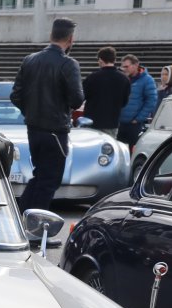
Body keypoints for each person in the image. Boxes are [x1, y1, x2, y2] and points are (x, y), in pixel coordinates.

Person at [11, 17, 83, 214]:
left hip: (34, 128)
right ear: (70, 39)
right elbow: (77, 100)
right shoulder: (68, 64)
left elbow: (15, 95)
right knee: (49, 180)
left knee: (40, 177)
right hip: (55, 131)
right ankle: (35, 224)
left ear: (51, 35)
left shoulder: (30, 60)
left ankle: (22, 218)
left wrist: (32, 112)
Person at [81, 46, 130, 135]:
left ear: (100, 60)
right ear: (114, 60)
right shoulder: (124, 79)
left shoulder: (92, 78)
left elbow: (81, 97)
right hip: (112, 122)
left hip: (92, 122)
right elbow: (124, 102)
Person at [117, 54, 158, 146]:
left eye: (126, 66)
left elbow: (151, 101)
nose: (124, 69)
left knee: (132, 151)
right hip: (119, 123)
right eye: (123, 67)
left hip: (134, 125)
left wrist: (138, 119)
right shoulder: (122, 79)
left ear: (136, 65)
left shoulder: (147, 80)